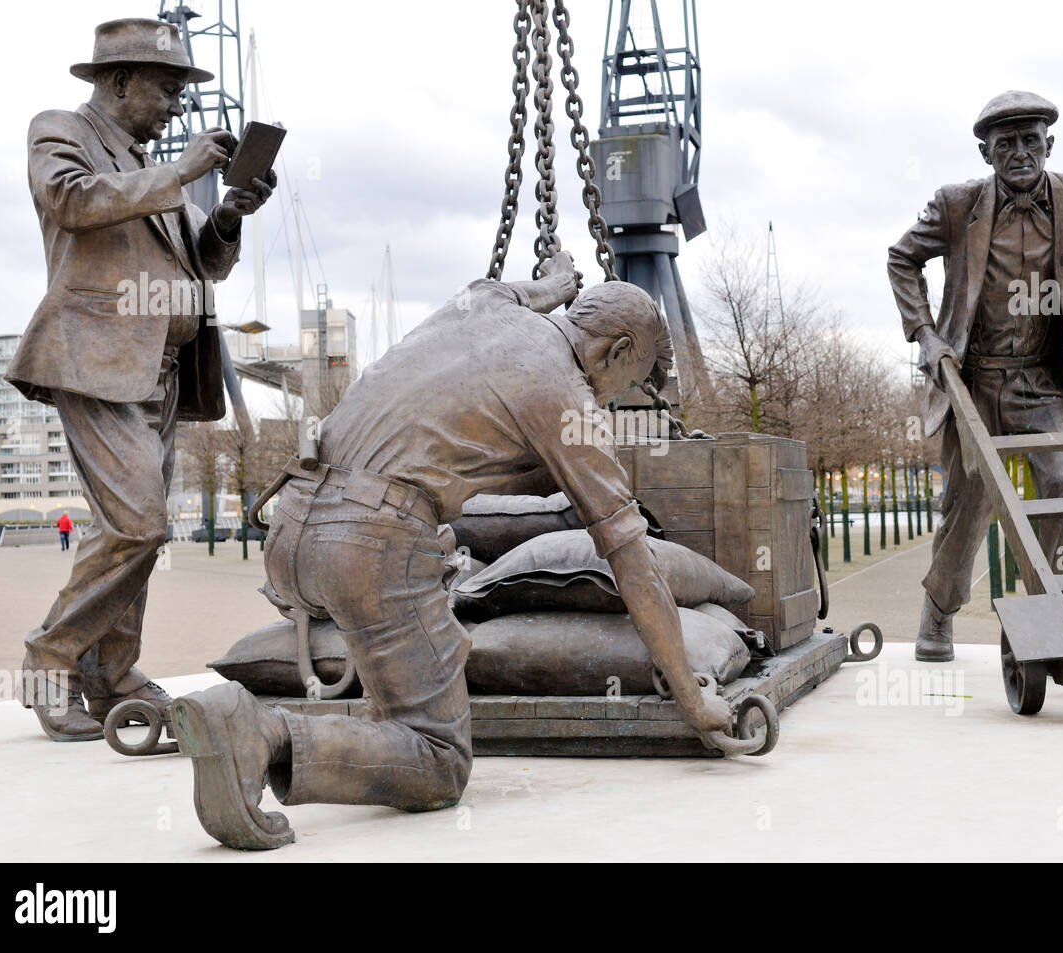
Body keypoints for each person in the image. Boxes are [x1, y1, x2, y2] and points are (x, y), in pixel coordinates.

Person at [173, 253, 733, 849]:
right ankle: (261, 732)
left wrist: (554, 280)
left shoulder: (484, 303)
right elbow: (632, 561)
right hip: (370, 546)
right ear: (619, 351)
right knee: (437, 757)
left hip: (290, 521)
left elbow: (522, 293)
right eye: (631, 383)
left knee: (400, 688)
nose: (616, 399)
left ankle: (265, 731)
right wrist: (694, 699)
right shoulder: (566, 399)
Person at [5, 18, 275, 742]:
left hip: (160, 375)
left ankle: (113, 674)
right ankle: (48, 661)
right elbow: (69, 200)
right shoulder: (61, 130)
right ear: (118, 82)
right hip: (92, 362)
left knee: (138, 535)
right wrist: (182, 173)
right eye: (166, 88)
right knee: (139, 522)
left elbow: (204, 262)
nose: (175, 105)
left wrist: (223, 215)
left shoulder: (146, 165)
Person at [887, 91, 1063, 664]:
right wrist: (925, 335)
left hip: (1044, 381)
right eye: (1005, 144)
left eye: (1030, 140)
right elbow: (901, 257)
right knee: (969, 499)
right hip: (973, 379)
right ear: (985, 152)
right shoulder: (956, 205)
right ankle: (940, 610)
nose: (1019, 153)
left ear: (1050, 143)